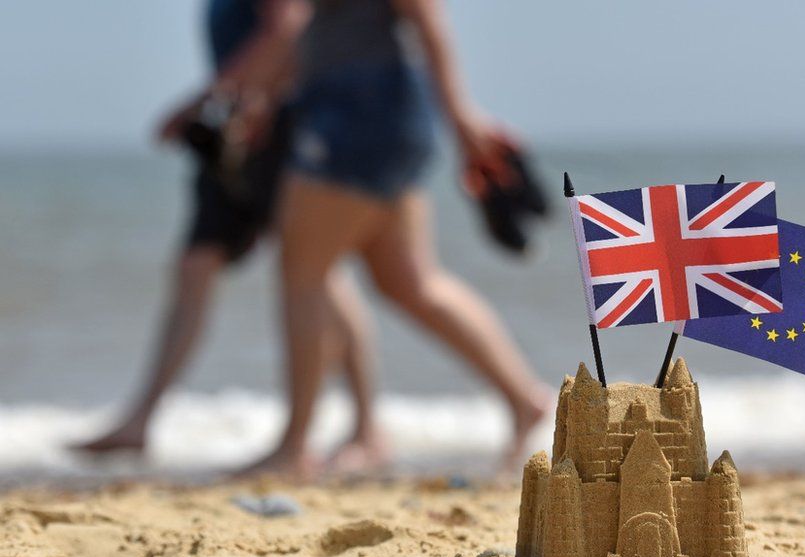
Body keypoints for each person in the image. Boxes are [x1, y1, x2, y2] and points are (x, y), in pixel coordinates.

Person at [221, 0, 552, 476]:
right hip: (375, 108)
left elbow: (424, 14)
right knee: (410, 282)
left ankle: (294, 447)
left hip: (359, 110)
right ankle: (524, 398)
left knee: (304, 274)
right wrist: (262, 96)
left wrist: (460, 115)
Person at [74, 0, 385, 474]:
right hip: (239, 130)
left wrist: (214, 99)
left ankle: (362, 428)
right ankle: (141, 419)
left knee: (319, 272)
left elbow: (289, 28)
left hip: (270, 130)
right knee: (196, 267)